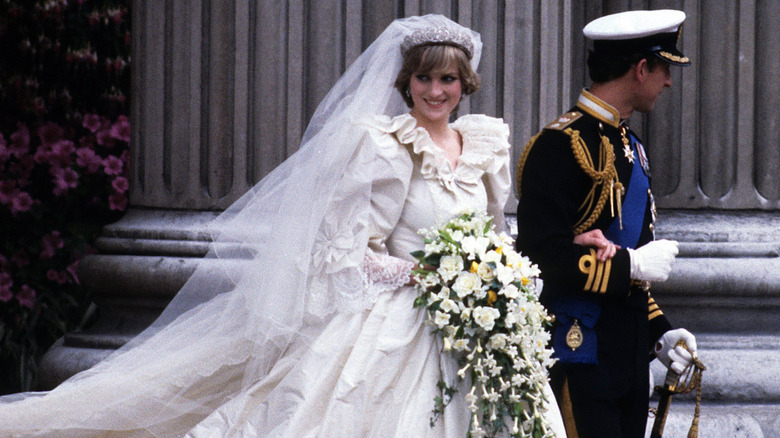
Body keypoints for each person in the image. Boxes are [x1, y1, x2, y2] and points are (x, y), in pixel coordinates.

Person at [0, 15, 565, 437]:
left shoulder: (485, 144)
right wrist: (432, 272)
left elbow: (493, 231)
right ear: (405, 82)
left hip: (479, 318)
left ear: (464, 82)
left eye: (446, 80)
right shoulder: (384, 147)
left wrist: (494, 274)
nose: (434, 92)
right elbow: (351, 252)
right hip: (402, 315)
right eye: (423, 80)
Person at [515, 9, 698, 438]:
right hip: (581, 352)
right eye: (664, 69)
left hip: (629, 358)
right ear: (640, 69)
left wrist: (660, 334)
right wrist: (629, 266)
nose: (668, 82)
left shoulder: (628, 143)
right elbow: (539, 256)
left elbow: (630, 261)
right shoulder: (559, 146)